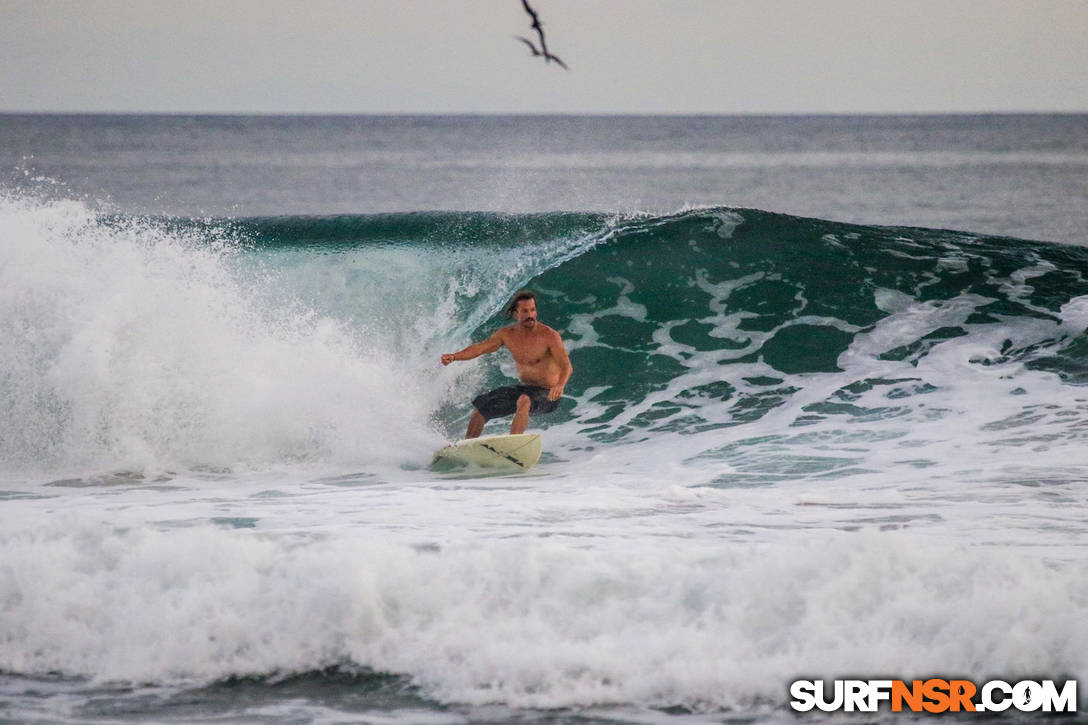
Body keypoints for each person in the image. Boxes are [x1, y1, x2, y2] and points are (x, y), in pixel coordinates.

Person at [441, 290, 573, 439]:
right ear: (516, 313)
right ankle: (467, 446)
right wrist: (454, 356)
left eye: (533, 310)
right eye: (525, 311)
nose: (530, 315)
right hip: (524, 388)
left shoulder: (549, 336)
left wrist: (560, 385)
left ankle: (513, 445)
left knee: (524, 400)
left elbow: (566, 366)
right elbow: (481, 348)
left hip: (547, 393)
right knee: (482, 406)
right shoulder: (507, 334)